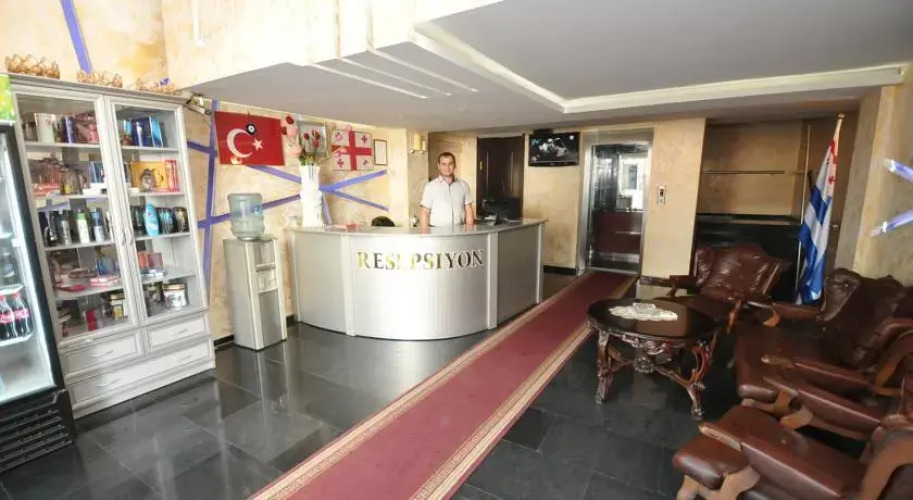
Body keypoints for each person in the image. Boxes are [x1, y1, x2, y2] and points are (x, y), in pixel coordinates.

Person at [420, 152, 475, 228]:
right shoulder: (430, 187)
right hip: (436, 231)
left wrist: (470, 230)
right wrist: (425, 233)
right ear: (438, 166)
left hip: (459, 230)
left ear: (455, 165)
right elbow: (425, 212)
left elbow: (468, 209)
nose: (447, 167)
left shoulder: (463, 185)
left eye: (450, 164)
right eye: (444, 164)